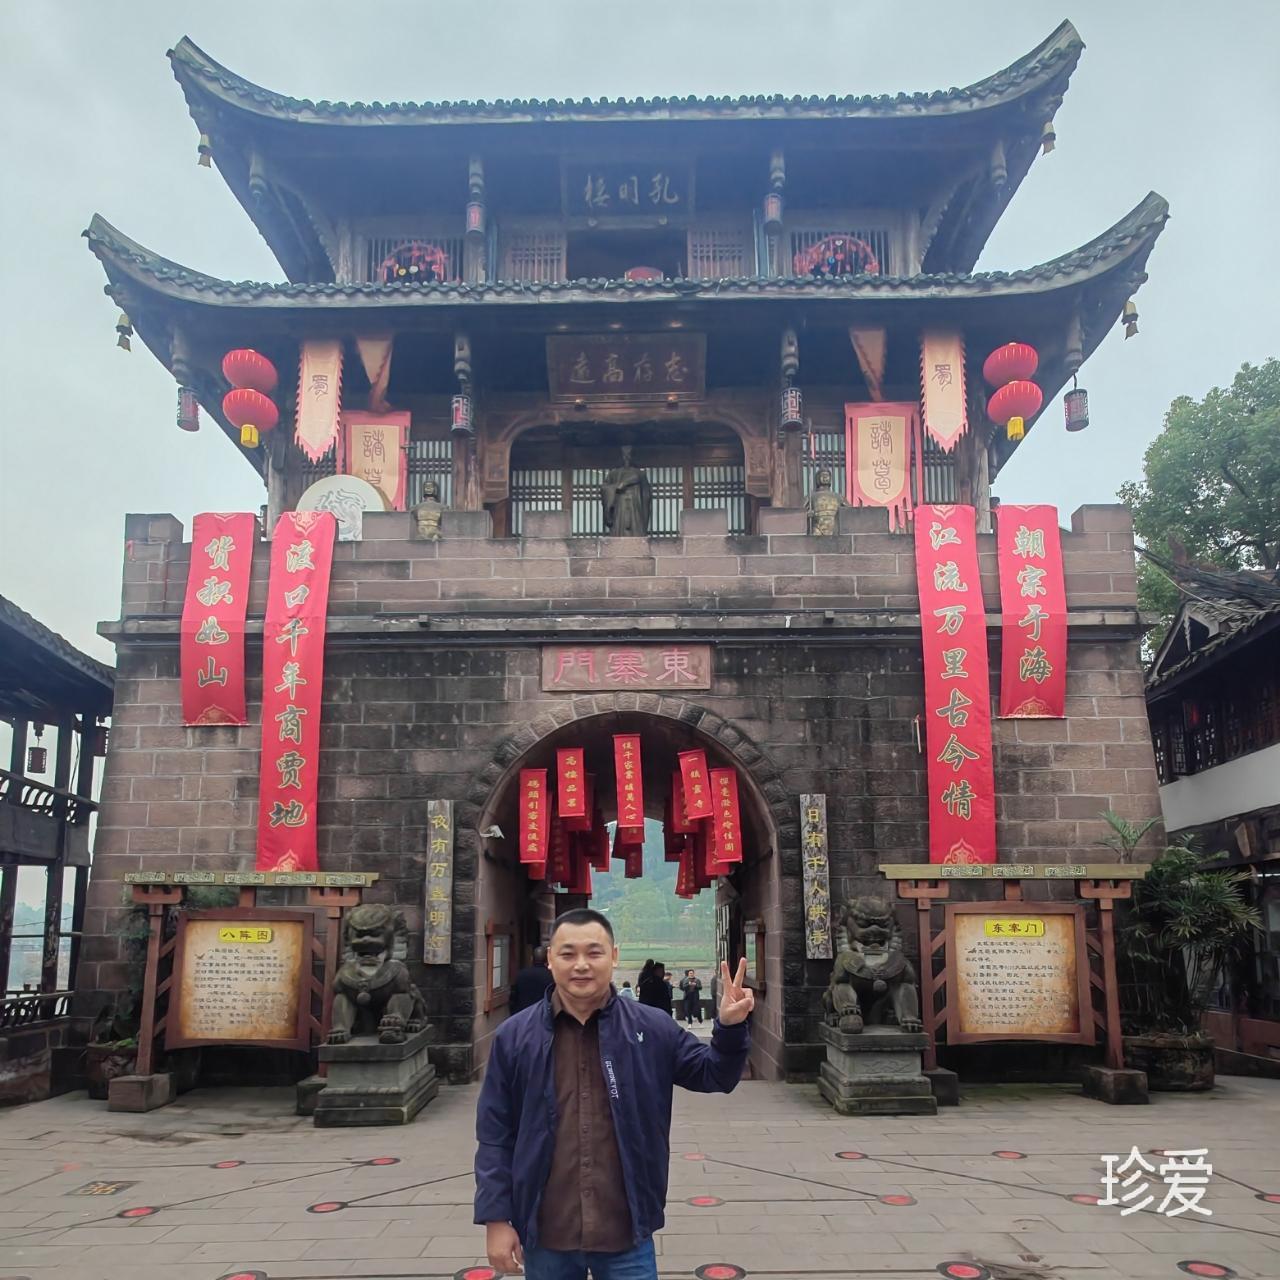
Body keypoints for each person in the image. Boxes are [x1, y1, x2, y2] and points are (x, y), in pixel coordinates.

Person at [475, 909, 754, 1279]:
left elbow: (715, 1074)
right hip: (546, 1232)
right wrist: (496, 1218)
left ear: (615, 956)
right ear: (551, 960)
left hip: (627, 1233)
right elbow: (495, 1133)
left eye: (594, 952)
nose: (581, 965)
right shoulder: (515, 1037)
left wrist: (730, 1028)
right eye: (568, 954)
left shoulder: (652, 1028)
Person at [509, 945, 554, 1015]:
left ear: (531, 959)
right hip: (543, 1014)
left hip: (522, 1014)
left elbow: (514, 997)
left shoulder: (521, 974)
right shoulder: (551, 976)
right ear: (547, 959)